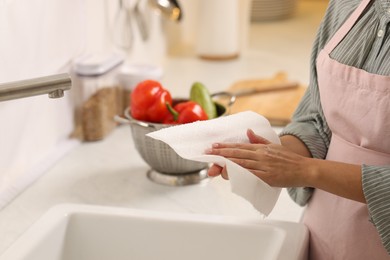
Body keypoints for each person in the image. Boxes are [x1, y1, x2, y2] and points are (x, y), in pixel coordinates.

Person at [205, 0, 390, 259]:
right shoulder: (347, 5)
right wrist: (267, 156)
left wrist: (306, 171)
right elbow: (316, 117)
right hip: (322, 232)